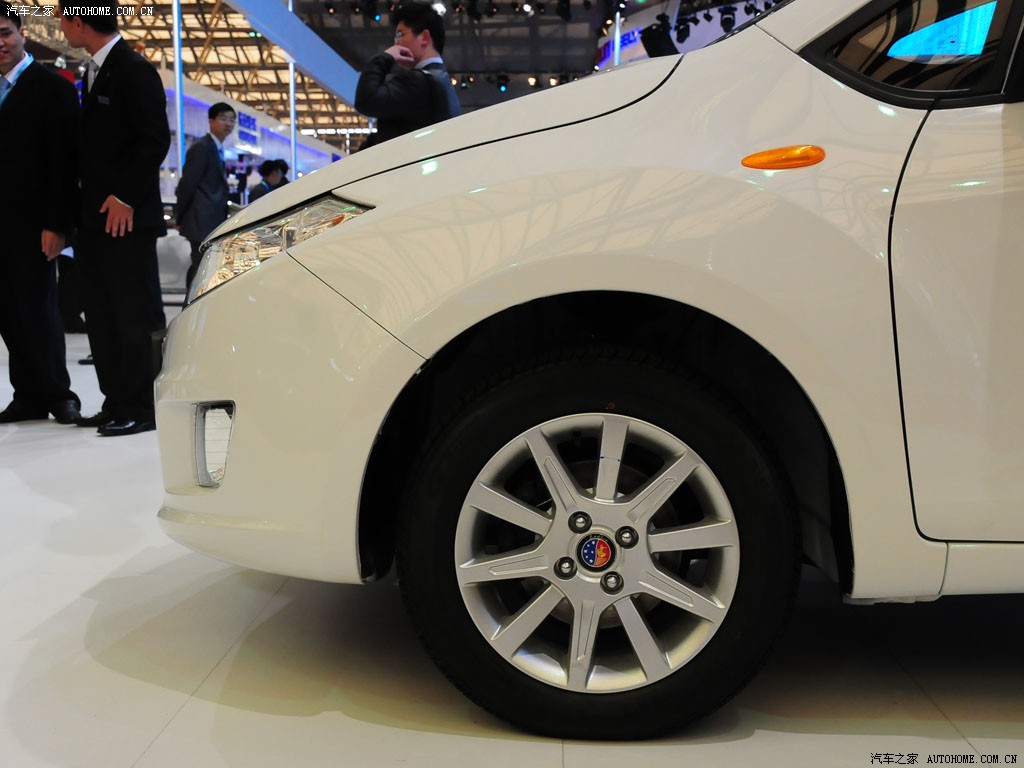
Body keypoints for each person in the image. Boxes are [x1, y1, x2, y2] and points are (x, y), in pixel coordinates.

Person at [58, 2, 170, 437]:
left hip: (127, 219)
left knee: (132, 314)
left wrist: (125, 196)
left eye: (63, 18)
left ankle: (141, 406)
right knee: (102, 313)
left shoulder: (133, 68)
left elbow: (153, 140)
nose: (61, 27)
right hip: (93, 220)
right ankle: (116, 401)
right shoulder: (95, 69)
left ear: (79, 22)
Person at [0, 4, 82, 425]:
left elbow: (64, 165)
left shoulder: (52, 88)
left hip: (35, 225)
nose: (0, 43)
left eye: (5, 32)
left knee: (38, 310)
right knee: (8, 314)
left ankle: (58, 393)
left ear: (22, 33)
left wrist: (57, 225)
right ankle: (27, 395)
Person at [354, 1, 460, 150]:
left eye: (400, 35)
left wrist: (385, 57)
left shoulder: (417, 82)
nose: (396, 44)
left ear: (424, 37)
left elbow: (366, 99)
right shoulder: (444, 84)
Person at [176, 101, 235, 291]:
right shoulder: (202, 147)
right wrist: (179, 216)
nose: (228, 123)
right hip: (200, 221)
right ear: (211, 121)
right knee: (200, 269)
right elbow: (187, 184)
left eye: (232, 120)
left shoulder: (216, 148)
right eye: (223, 118)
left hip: (210, 221)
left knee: (203, 268)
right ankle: (191, 304)